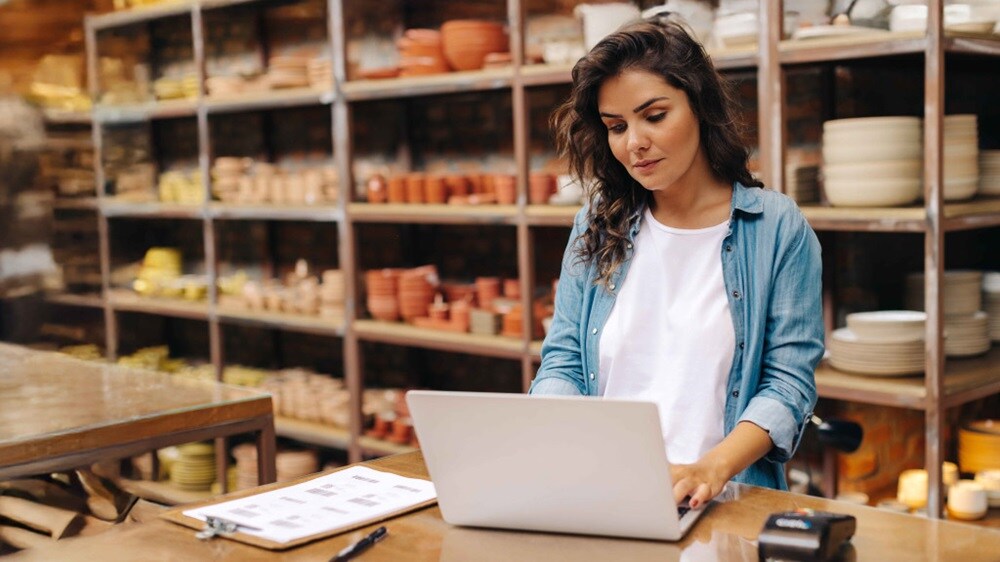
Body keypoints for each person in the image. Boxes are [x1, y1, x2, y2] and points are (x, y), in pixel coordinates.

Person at [529, 18, 823, 510]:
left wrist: (710, 468)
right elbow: (562, 361)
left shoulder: (776, 228)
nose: (633, 143)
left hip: (726, 498)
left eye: (655, 116)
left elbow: (788, 382)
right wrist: (566, 442)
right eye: (617, 127)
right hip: (607, 494)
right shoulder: (597, 225)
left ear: (700, 106)